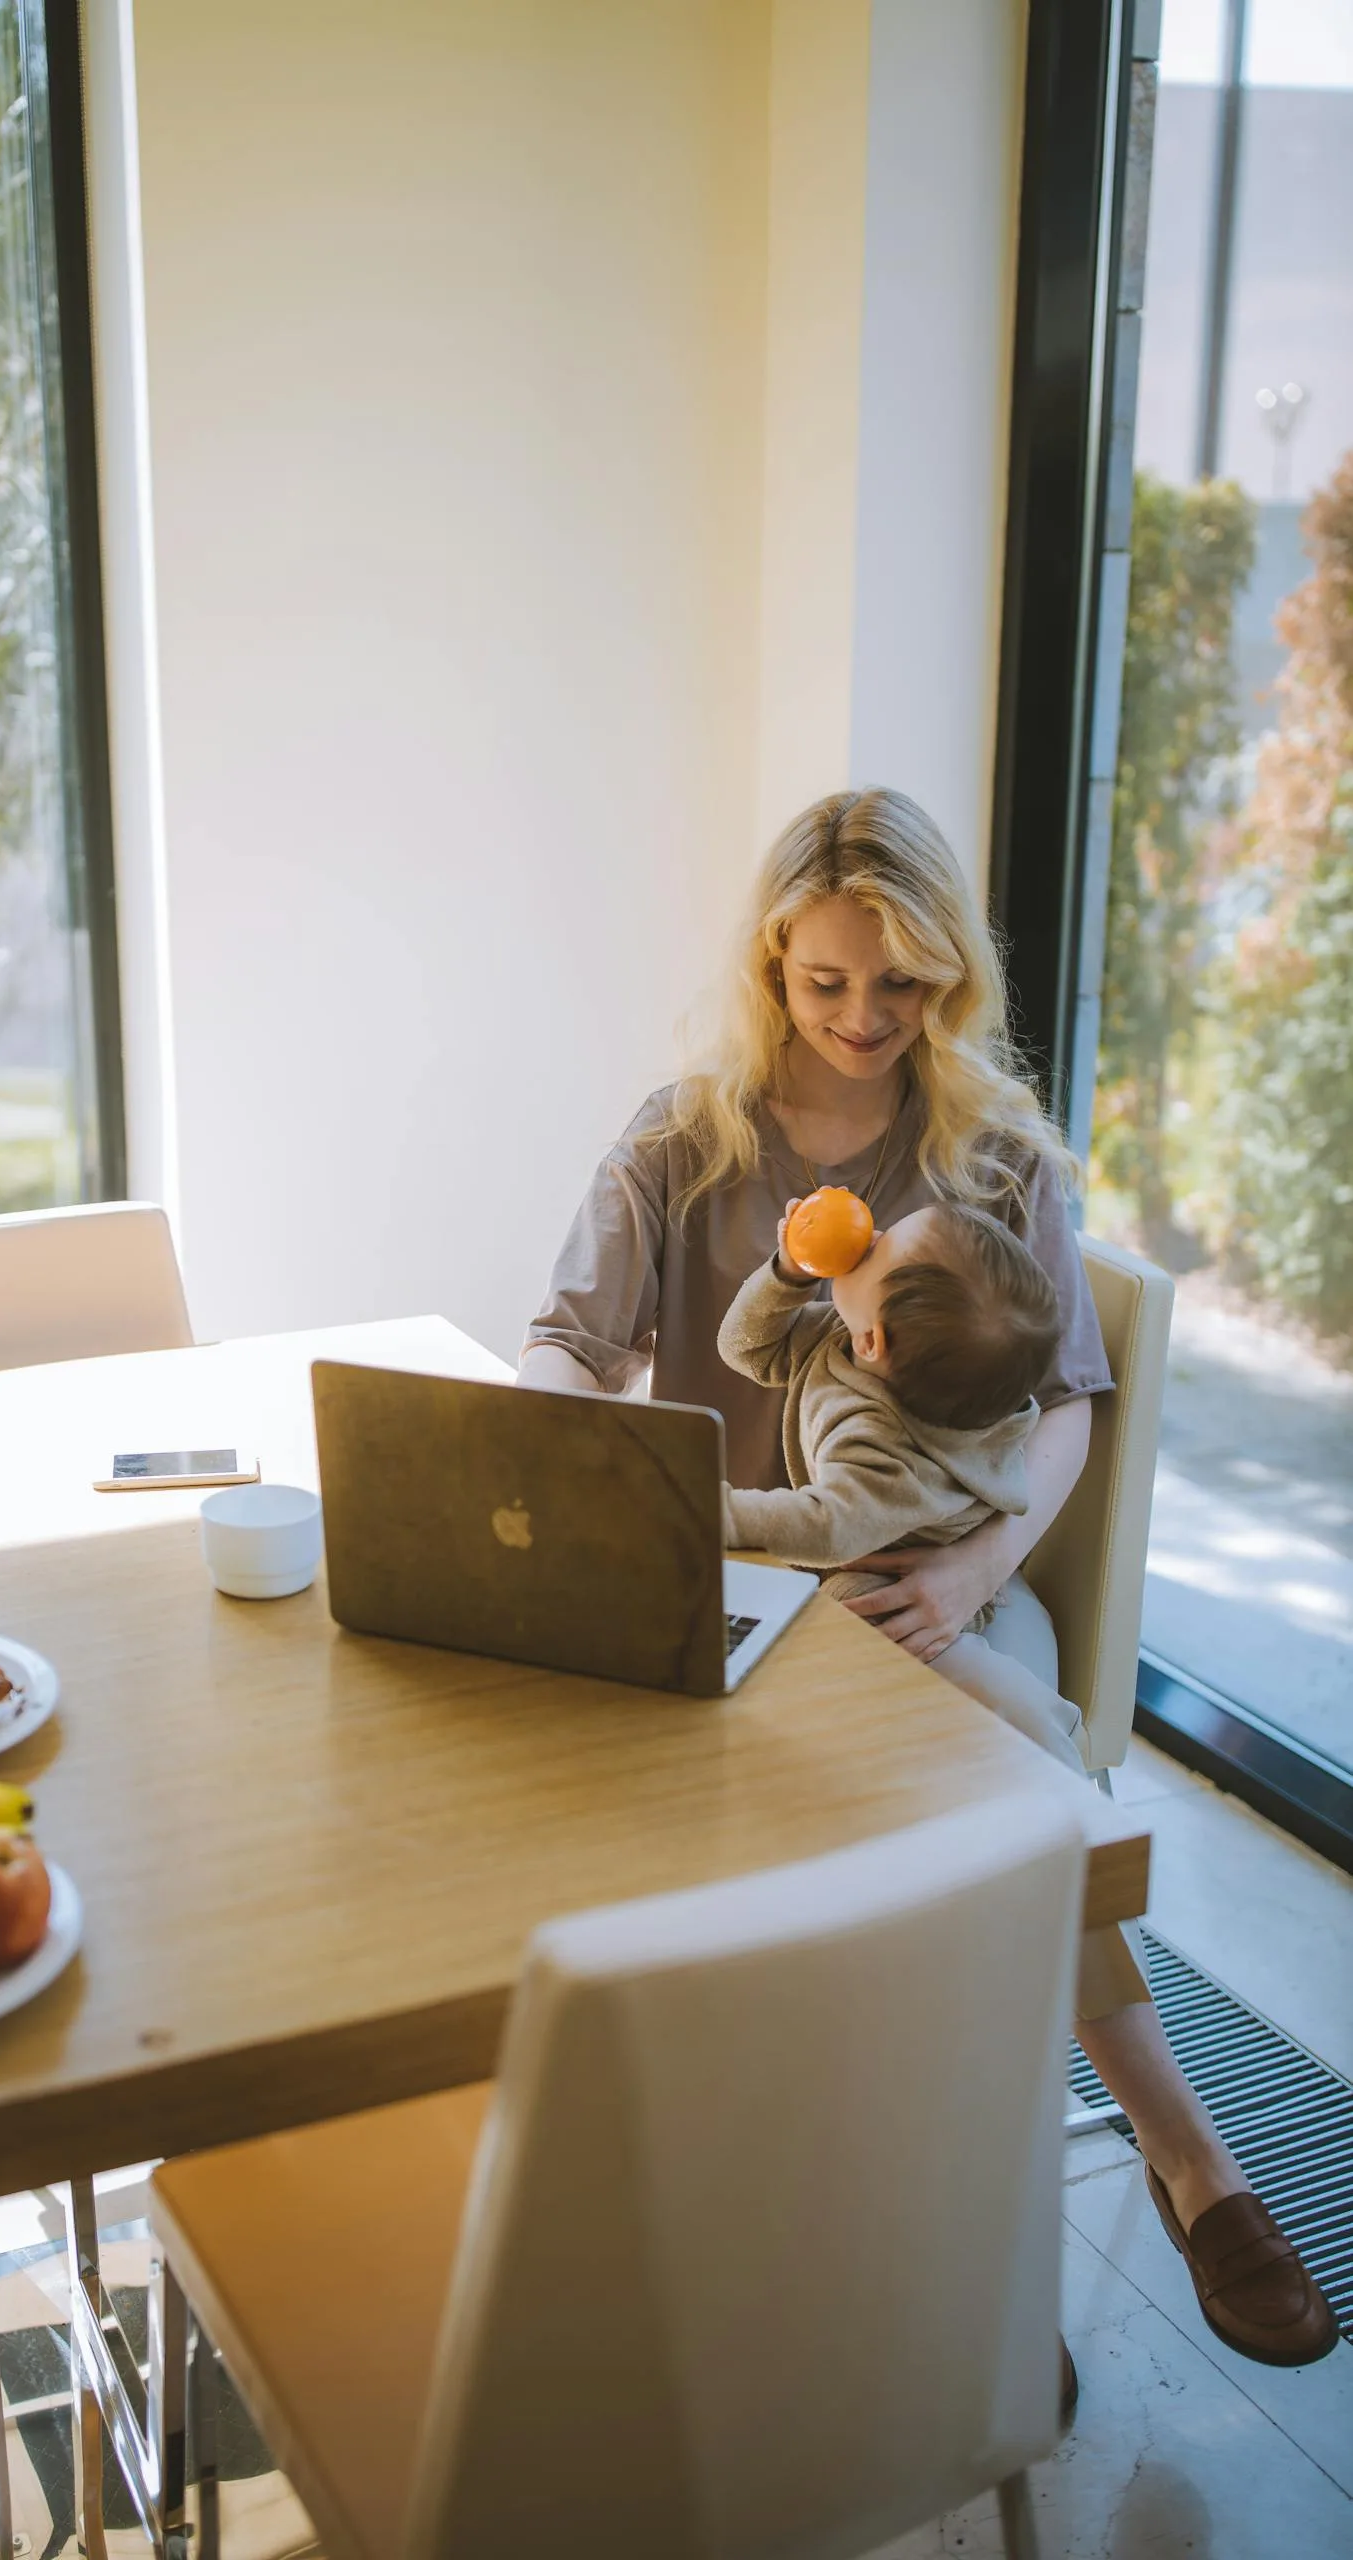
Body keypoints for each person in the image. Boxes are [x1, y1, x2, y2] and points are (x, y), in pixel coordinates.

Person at [521, 785, 1335, 2368]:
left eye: (900, 984)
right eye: (826, 982)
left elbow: (1069, 1407)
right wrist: (572, 1473)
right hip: (741, 1582)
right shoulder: (678, 1139)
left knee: (1004, 1783)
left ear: (949, 970)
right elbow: (568, 1343)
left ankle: (1183, 2163)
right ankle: (883, 2231)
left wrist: (970, 1571)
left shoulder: (994, 1152)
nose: (863, 1018)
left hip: (927, 1587)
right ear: (771, 963)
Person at [716, 1198, 1089, 1779]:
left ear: (874, 1342)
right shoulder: (859, 1342)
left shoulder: (885, 1453)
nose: (871, 1234)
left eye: (880, 1248)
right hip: (880, 1543)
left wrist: (715, 1512)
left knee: (838, 1639)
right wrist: (788, 1272)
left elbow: (828, 1524)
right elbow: (746, 1347)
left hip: (895, 1581)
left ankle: (1039, 1732)